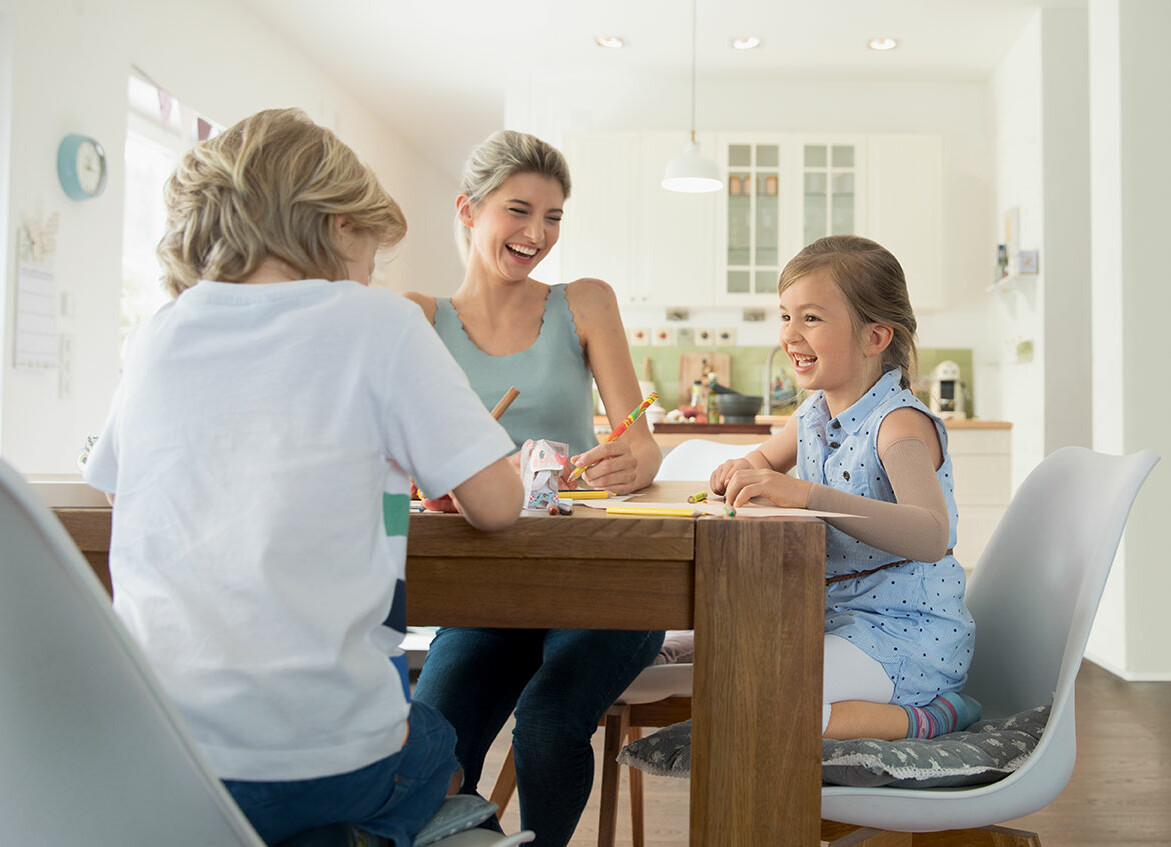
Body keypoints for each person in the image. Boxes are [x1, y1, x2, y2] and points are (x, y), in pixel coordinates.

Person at [82, 108, 523, 846]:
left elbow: (120, 491)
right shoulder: (377, 322)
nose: (368, 275)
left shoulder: (160, 330)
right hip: (322, 757)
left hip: (163, 753)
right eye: (371, 255)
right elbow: (499, 503)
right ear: (338, 224)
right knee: (436, 739)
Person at [404, 129, 663, 846]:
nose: (536, 234)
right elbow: (400, 463)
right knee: (431, 750)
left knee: (546, 724)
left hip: (600, 580)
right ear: (467, 209)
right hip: (487, 592)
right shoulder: (419, 319)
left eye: (552, 218)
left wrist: (629, 461)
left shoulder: (583, 302)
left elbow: (637, 437)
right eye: (518, 211)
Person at [710, 235, 981, 741]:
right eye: (785, 316)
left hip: (905, 636)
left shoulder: (897, 424)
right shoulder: (812, 414)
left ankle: (930, 717)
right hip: (838, 621)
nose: (790, 335)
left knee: (765, 695)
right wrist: (737, 470)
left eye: (811, 318)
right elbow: (763, 459)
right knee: (737, 679)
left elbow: (930, 535)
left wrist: (807, 496)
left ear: (875, 337)